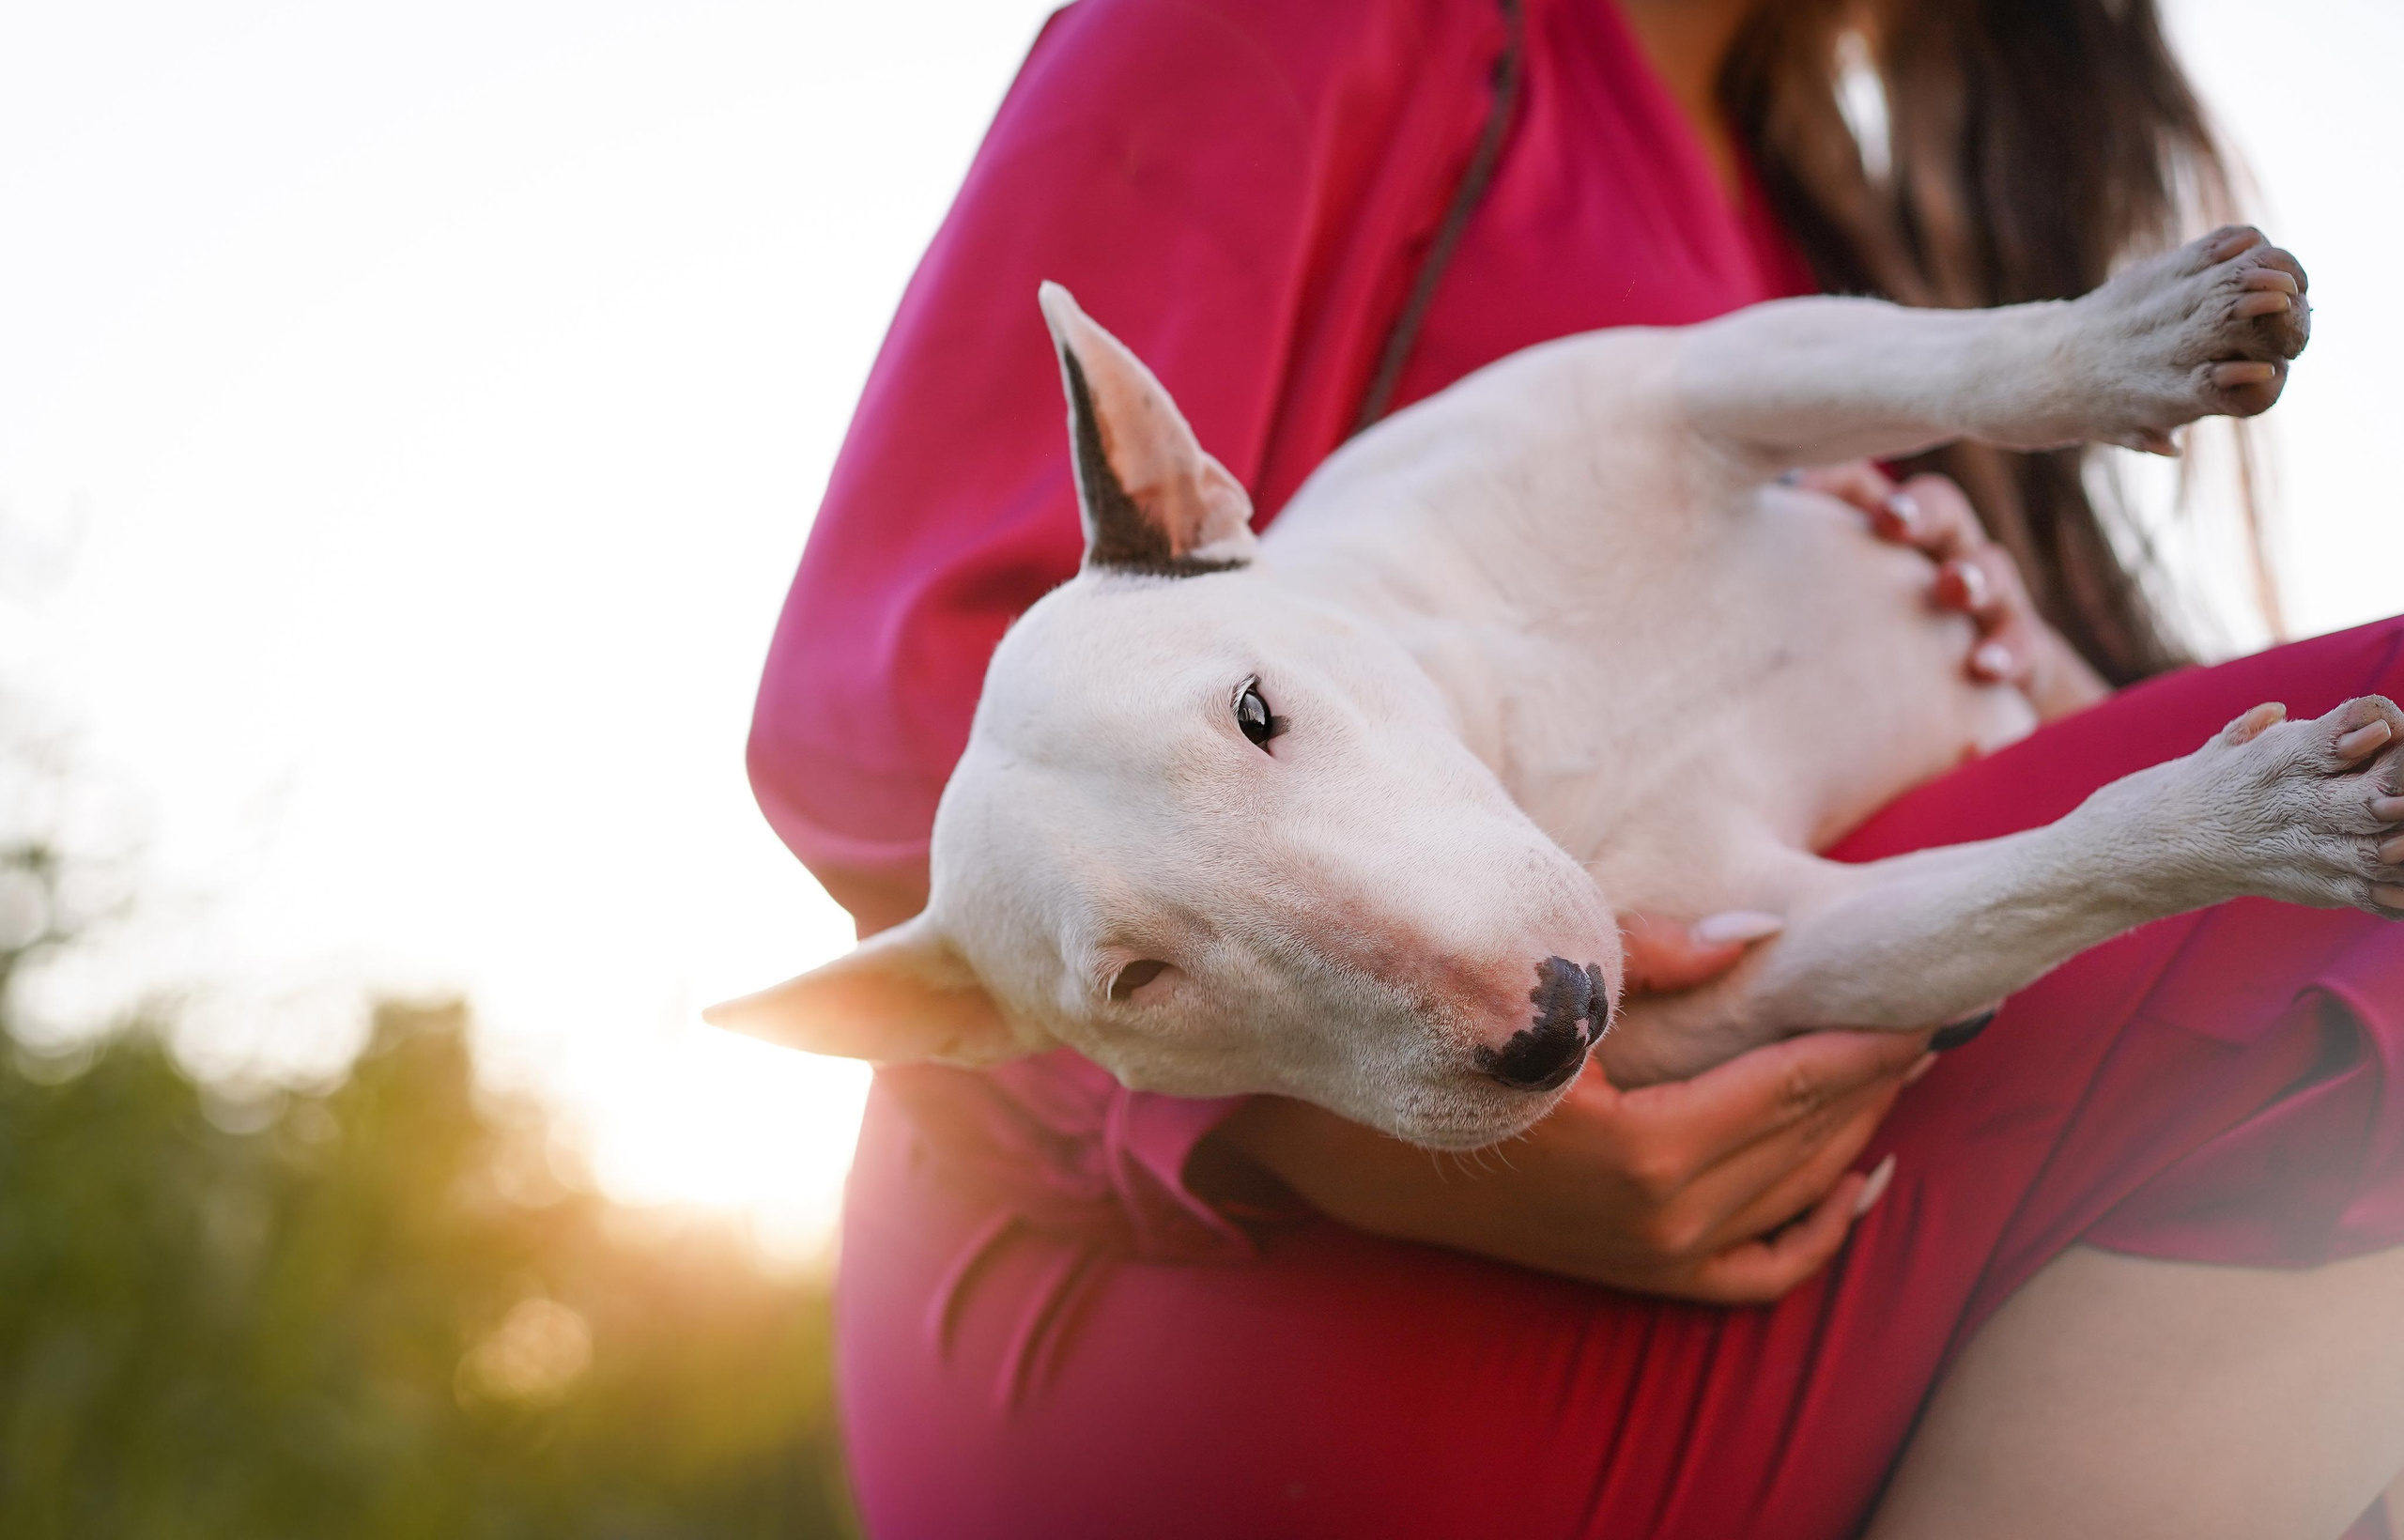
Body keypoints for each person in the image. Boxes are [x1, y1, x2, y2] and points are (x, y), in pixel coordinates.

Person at [745, 1, 2404, 1534]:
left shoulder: (1802, 194)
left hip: (1714, 1098)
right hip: (1227, 1288)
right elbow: (898, 729)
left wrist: (1998, 645)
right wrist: (1358, 1144)